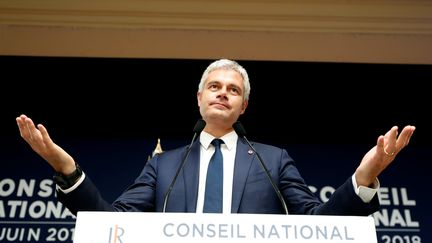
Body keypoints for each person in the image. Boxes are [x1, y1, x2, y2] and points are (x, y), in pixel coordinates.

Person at [16, 59, 415, 216]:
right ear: (199, 98)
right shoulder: (164, 165)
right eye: (214, 86)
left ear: (244, 107)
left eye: (234, 89)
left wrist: (363, 179)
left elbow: (317, 223)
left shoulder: (272, 160)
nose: (223, 92)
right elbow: (111, 222)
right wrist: (64, 166)